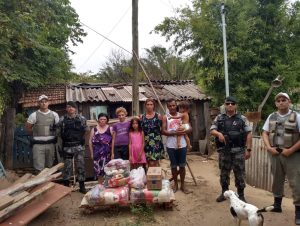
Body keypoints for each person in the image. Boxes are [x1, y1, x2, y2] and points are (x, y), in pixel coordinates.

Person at [262, 92, 300, 225]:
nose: (281, 102)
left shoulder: (297, 116)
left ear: (289, 102)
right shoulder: (271, 116)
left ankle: (298, 212)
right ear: (275, 103)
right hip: (275, 153)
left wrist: (290, 150)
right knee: (277, 179)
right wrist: (268, 147)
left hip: (292, 154)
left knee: (296, 182)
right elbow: (265, 133)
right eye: (278, 100)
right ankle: (277, 205)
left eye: (284, 100)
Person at [210, 96, 252, 202]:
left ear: (235, 105)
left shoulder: (242, 118)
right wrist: (218, 133)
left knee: (240, 173)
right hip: (224, 151)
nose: (230, 105)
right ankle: (224, 193)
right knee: (224, 173)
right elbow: (212, 130)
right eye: (228, 103)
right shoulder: (219, 118)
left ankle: (241, 195)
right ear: (225, 105)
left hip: (239, 150)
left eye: (232, 103)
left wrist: (249, 149)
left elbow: (249, 134)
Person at [162, 98, 192, 194]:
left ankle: (183, 185)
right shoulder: (165, 117)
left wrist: (183, 131)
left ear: (176, 106)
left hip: (182, 144)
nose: (172, 107)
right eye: (170, 106)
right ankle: (175, 185)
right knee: (173, 166)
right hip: (170, 145)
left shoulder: (182, 115)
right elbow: (163, 131)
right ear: (167, 107)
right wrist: (174, 133)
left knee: (182, 166)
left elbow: (190, 128)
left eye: (173, 105)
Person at [58, 101, 88, 194]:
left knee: (81, 167)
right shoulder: (62, 120)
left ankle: (82, 187)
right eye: (68, 107)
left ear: (75, 109)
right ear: (66, 109)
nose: (70, 108)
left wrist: (82, 141)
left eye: (72, 107)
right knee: (67, 167)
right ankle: (66, 188)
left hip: (78, 146)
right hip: (67, 146)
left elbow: (86, 130)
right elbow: (58, 133)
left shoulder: (82, 118)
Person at [26, 95, 59, 171]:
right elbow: (28, 128)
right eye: (42, 102)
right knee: (38, 167)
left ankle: (48, 182)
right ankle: (39, 182)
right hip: (38, 145)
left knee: (50, 166)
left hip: (51, 144)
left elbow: (58, 128)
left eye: (45, 101)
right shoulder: (34, 115)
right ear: (39, 103)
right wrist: (37, 134)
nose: (44, 103)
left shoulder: (54, 115)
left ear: (48, 103)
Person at [89, 113, 113, 183]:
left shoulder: (110, 129)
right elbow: (90, 142)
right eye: (101, 119)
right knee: (99, 172)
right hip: (97, 155)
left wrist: (112, 153)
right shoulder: (94, 129)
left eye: (104, 119)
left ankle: (108, 189)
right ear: (98, 120)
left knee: (109, 172)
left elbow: (113, 142)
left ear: (107, 120)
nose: (102, 121)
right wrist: (91, 153)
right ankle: (100, 188)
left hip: (107, 155)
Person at [140, 98, 164, 167]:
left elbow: (162, 129)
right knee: (147, 162)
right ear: (145, 106)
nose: (149, 106)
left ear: (154, 106)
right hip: (146, 141)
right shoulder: (142, 117)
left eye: (151, 104)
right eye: (148, 104)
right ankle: (150, 176)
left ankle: (155, 176)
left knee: (154, 162)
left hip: (156, 141)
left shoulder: (158, 116)